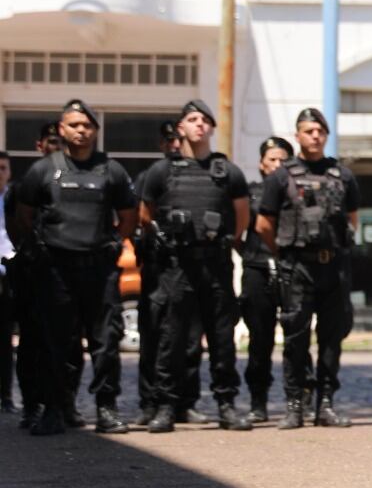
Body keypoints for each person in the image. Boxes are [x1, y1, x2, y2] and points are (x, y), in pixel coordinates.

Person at [13, 100, 137, 436]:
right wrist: (40, 248)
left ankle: (106, 409)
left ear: (95, 130)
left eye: (87, 125)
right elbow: (24, 215)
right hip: (56, 270)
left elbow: (128, 216)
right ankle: (55, 408)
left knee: (106, 342)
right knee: (55, 343)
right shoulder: (44, 169)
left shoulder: (111, 169)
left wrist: (113, 244)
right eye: (74, 125)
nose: (81, 130)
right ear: (61, 129)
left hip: (99, 269)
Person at [139, 101, 253, 434]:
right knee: (170, 338)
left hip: (214, 264)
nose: (199, 125)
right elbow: (145, 215)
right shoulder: (163, 171)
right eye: (192, 119)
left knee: (221, 337)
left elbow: (241, 215)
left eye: (205, 120)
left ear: (212, 129)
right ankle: (166, 405)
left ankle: (227, 405)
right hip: (176, 265)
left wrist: (227, 241)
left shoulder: (227, 172)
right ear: (181, 128)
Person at [255, 108, 361, 429]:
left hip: (333, 269)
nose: (315, 136)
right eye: (308, 130)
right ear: (297, 135)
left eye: (320, 131)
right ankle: (294, 405)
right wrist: (286, 253)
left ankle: (325, 405)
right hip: (297, 269)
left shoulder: (342, 176)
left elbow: (352, 220)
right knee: (295, 338)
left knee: (331, 339)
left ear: (326, 136)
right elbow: (263, 225)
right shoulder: (280, 176)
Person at [134, 122, 191, 426]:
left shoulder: (195, 174)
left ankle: (183, 402)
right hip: (157, 266)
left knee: (187, 339)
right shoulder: (151, 175)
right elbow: (139, 218)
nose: (175, 145)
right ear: (161, 143)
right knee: (153, 334)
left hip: (188, 267)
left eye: (179, 139)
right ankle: (149, 402)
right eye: (169, 140)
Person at [6, 123, 61, 430]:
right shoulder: (26, 183)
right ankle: (31, 405)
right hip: (32, 270)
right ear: (40, 145)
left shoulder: (70, 182)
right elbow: (17, 227)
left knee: (62, 343)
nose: (56, 148)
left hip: (64, 271)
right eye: (51, 142)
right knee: (31, 343)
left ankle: (61, 405)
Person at [242, 136, 293, 422]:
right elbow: (239, 231)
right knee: (259, 338)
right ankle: (257, 401)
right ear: (262, 164)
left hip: (290, 269)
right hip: (258, 268)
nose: (277, 165)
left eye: (283, 160)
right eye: (272, 159)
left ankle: (297, 399)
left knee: (295, 338)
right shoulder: (251, 193)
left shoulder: (297, 193)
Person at [0, 150, 14, 414]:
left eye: (2, 168)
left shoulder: (15, 199)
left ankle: (6, 397)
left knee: (5, 341)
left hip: (9, 276)